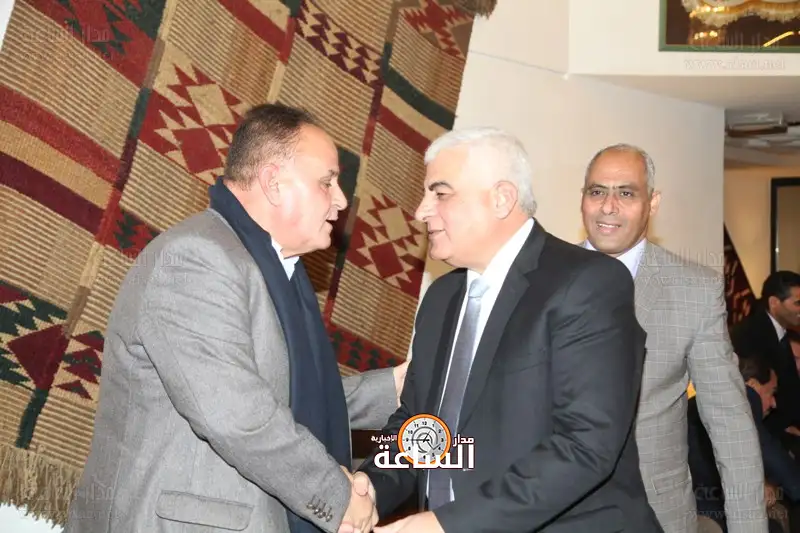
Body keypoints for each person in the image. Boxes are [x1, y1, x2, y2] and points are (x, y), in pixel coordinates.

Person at [64, 104, 407, 533]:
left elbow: (287, 396)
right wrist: (336, 496)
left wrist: (391, 388)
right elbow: (236, 413)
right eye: (327, 182)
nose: (340, 201)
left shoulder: (273, 271)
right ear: (274, 183)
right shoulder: (196, 258)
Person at [357, 127, 662, 532]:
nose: (421, 211)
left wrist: (447, 525)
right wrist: (372, 486)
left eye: (440, 194)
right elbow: (421, 424)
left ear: (501, 198)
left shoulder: (588, 284)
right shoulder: (442, 298)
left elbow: (584, 446)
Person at [578, 143, 767, 533]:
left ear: (653, 202)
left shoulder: (693, 290)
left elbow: (729, 421)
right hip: (554, 514)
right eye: (597, 191)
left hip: (656, 515)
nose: (609, 206)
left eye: (626, 193)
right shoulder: (540, 280)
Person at [688, 356, 800, 533]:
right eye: (771, 392)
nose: (773, 402)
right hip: (707, 507)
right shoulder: (743, 399)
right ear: (753, 384)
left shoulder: (706, 399)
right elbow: (768, 452)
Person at [731, 271, 800, 441]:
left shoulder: (780, 332)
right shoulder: (749, 334)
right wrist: (784, 429)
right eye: (798, 303)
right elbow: (755, 396)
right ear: (774, 302)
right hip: (761, 436)